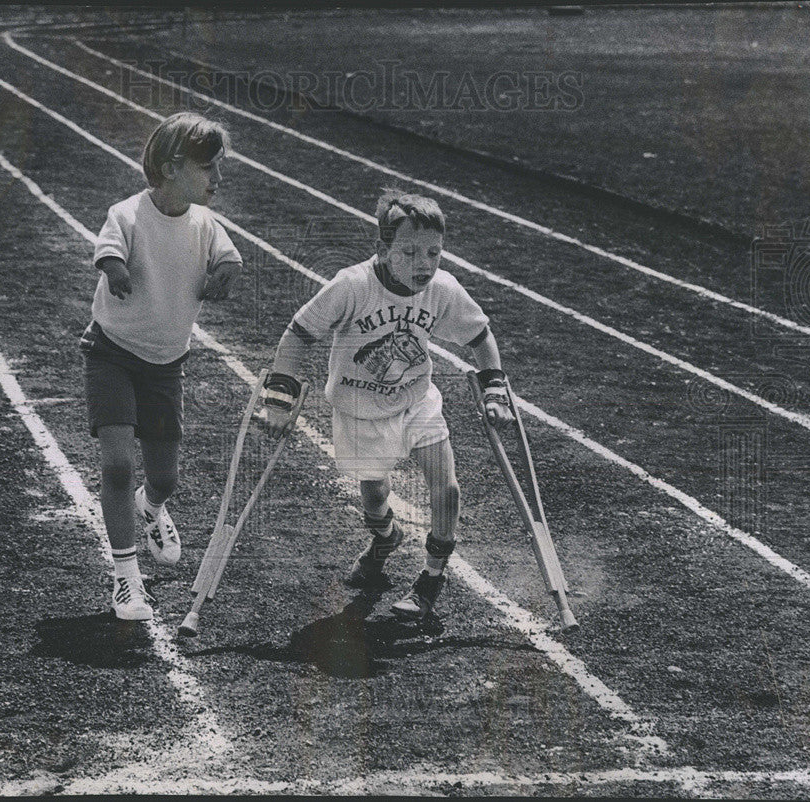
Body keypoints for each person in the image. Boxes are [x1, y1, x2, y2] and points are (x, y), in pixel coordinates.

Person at [263, 191, 511, 620]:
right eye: (410, 252)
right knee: (374, 492)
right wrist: (279, 399)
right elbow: (299, 334)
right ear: (382, 249)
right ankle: (384, 538)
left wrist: (494, 390)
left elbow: (479, 336)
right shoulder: (352, 286)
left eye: (433, 252)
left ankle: (432, 578)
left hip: (416, 400)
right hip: (359, 407)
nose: (424, 264)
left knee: (446, 486)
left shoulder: (442, 288)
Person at [80, 112, 242, 620]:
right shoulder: (127, 214)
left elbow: (230, 259)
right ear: (172, 167)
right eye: (209, 168)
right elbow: (107, 251)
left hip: (166, 364)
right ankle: (126, 577)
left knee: (165, 478)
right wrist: (117, 269)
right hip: (112, 353)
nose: (219, 179)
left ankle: (151, 509)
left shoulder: (206, 225)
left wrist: (223, 275)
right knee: (118, 464)